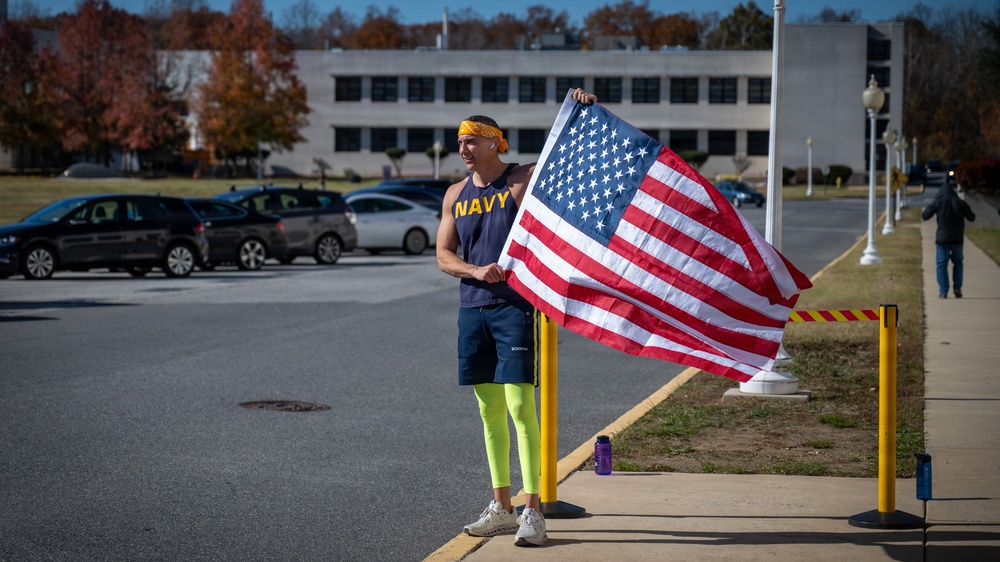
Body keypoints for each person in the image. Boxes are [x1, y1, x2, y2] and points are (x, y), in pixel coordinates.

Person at [436, 89, 597, 547]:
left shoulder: (520, 179)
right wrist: (473, 270)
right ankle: (502, 507)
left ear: (494, 142)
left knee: (520, 409)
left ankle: (533, 511)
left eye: (471, 140)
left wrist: (580, 110)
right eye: (459, 141)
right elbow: (443, 255)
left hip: (514, 307)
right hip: (473, 308)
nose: (463, 148)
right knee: (489, 413)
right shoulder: (455, 194)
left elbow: (566, 158)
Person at [922, 183, 975, 298]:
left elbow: (925, 216)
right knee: (958, 263)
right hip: (957, 239)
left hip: (942, 239)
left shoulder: (938, 202)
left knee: (941, 264)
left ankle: (943, 291)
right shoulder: (961, 203)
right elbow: (972, 217)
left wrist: (934, 205)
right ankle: (957, 288)